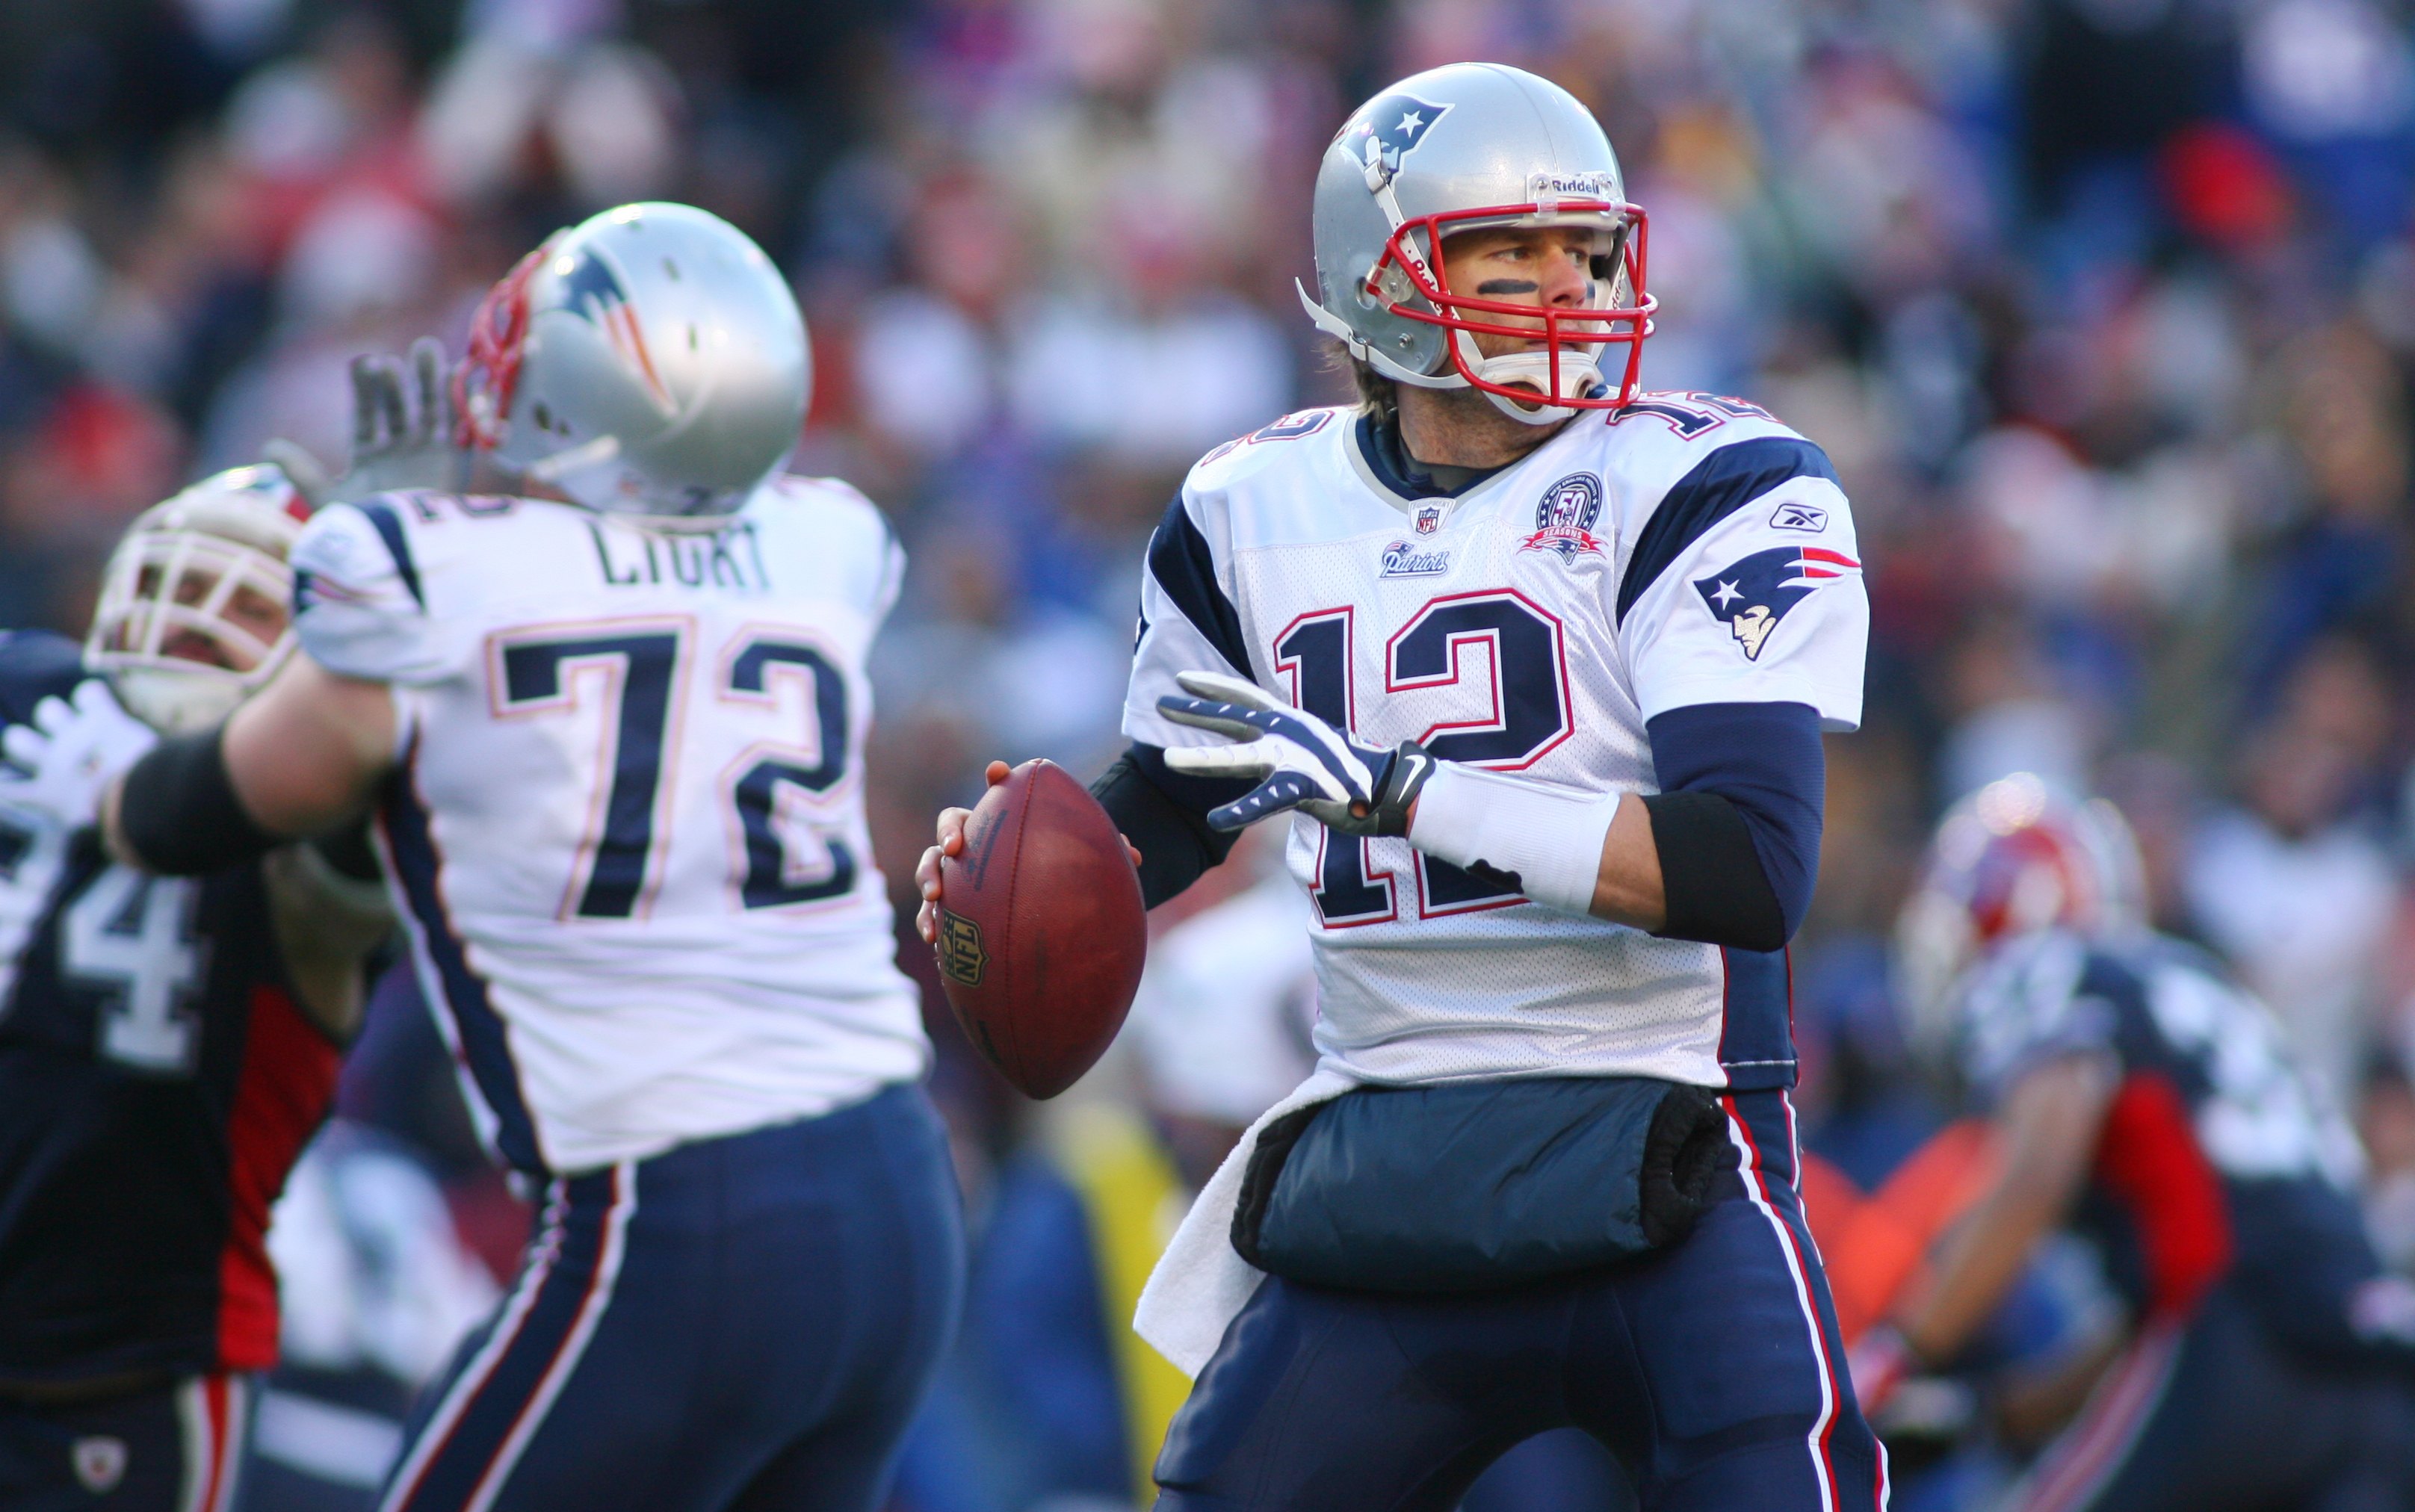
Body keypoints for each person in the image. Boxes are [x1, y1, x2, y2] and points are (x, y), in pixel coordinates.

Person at [921, 62, 1882, 1510]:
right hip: (1391, 1156)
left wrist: (1398, 790)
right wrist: (1027, 869)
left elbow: (1748, 867)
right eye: (1511, 253)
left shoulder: (1708, 478)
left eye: (1587, 251)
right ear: (1379, 281)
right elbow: (1180, 796)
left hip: (1659, 1143)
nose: (1565, 290)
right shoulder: (1247, 509)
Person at [31, 202, 962, 1512]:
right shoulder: (827, 545)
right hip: (895, 1198)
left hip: (680, 1213)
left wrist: (354, 581)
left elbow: (186, 814)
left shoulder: (421, 574)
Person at [0, 465, 392, 1512]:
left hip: (119, 1359)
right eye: (178, 583)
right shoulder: (27, 687)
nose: (195, 624)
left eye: (252, 607)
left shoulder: (325, 811)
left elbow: (352, 868)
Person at [1875, 772, 2415, 1511]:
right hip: (2375, 1375)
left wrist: (1900, 1350)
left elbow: (2039, 1170)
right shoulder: (2193, 980)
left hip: (2239, 1350)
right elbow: (2159, 1307)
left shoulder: (2049, 969)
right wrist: (1992, 1414)